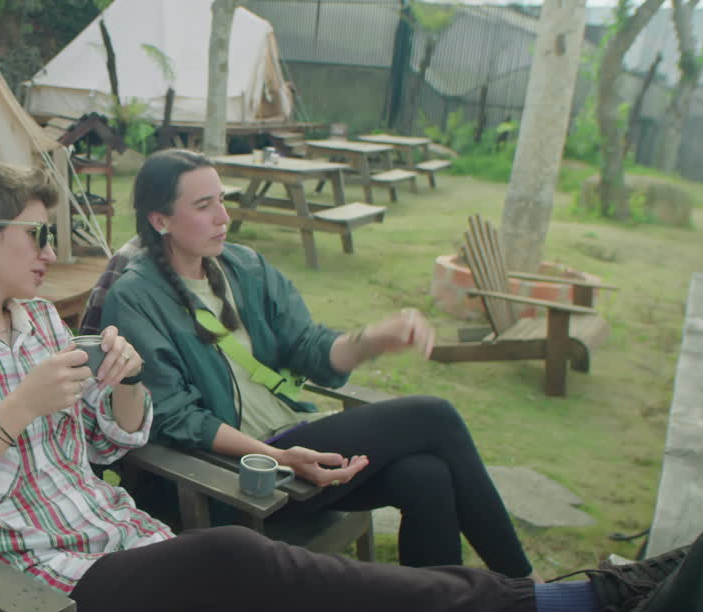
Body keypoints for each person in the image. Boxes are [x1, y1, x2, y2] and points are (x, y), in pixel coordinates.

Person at [0, 160, 703, 612]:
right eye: (36, 234)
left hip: (121, 546)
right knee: (238, 561)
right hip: (40, 595)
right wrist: (13, 410)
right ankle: (584, 602)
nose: (50, 252)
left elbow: (116, 445)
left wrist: (119, 392)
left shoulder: (43, 321)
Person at [99, 148, 540, 587]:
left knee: (426, 476)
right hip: (233, 476)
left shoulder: (244, 267)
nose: (223, 216)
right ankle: (525, 589)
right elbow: (174, 416)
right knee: (434, 415)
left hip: (296, 446)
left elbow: (309, 349)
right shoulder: (136, 297)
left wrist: (376, 339)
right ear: (161, 221)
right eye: (204, 205)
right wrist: (277, 457)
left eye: (222, 199)